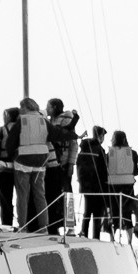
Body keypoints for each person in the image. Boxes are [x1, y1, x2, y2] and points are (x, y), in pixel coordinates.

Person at [13, 96, 49, 230]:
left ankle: (23, 226)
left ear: (26, 107)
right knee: (40, 195)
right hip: (40, 162)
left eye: (21, 107)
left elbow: (11, 140)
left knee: (22, 195)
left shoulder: (21, 121)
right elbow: (56, 134)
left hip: (23, 162)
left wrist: (13, 154)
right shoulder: (43, 121)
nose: (20, 110)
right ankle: (44, 226)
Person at [44, 99, 78, 233]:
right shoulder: (50, 121)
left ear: (54, 107)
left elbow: (73, 143)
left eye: (48, 107)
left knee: (67, 194)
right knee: (53, 195)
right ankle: (54, 224)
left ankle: (70, 226)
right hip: (52, 163)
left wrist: (71, 163)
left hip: (63, 162)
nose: (46, 109)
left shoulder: (66, 119)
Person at [105, 130, 138, 232]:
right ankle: (129, 239)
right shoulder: (132, 153)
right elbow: (136, 171)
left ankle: (113, 238)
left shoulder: (109, 153)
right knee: (127, 213)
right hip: (128, 185)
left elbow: (105, 170)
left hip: (112, 185)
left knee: (114, 212)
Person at [77, 126, 108, 236]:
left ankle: (84, 233)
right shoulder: (100, 150)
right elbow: (104, 170)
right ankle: (96, 236)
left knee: (87, 211)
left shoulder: (84, 148)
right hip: (97, 186)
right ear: (100, 136)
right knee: (97, 214)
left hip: (84, 186)